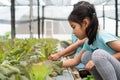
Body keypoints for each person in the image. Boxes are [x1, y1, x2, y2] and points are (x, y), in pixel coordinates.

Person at [60, 1, 120, 80]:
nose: (73, 32)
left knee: (98, 55)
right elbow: (75, 61)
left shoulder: (103, 36)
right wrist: (54, 64)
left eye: (74, 27)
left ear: (85, 23)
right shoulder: (89, 41)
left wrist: (95, 61)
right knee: (86, 56)